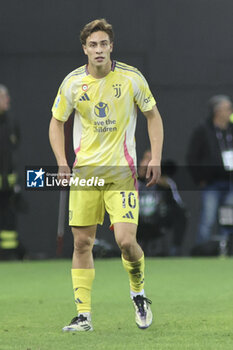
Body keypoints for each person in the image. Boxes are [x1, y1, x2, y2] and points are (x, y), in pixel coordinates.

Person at [49, 19, 163, 332]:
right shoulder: (73, 83)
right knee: (82, 244)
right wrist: (61, 161)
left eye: (103, 44)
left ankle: (138, 294)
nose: (98, 50)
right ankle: (83, 316)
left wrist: (155, 155)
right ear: (84, 49)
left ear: (111, 46)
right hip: (86, 175)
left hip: (121, 174)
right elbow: (56, 122)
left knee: (126, 242)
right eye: (93, 45)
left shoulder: (130, 78)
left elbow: (153, 116)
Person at [186, 95, 233, 251]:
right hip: (211, 183)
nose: (230, 111)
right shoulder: (203, 130)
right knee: (208, 218)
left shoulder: (232, 128)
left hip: (230, 182)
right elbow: (192, 156)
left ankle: (226, 249)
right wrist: (200, 178)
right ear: (217, 111)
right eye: (228, 108)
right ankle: (201, 250)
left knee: (228, 217)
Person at [137, 150, 187, 256]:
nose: (149, 162)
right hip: (137, 220)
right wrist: (140, 175)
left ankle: (175, 249)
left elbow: (179, 205)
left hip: (158, 219)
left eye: (153, 159)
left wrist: (165, 187)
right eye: (147, 158)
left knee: (181, 214)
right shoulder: (133, 180)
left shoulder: (166, 183)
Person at [0, 84, 23, 259]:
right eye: (4, 97)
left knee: (8, 219)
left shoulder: (11, 122)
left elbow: (13, 150)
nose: (8, 101)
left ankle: (8, 255)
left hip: (8, 186)